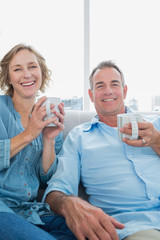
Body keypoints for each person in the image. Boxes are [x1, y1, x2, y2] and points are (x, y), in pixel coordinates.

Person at [44, 60, 160, 240]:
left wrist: (158, 141)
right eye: (100, 86)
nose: (108, 91)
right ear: (91, 95)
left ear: (125, 90)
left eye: (114, 84)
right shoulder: (79, 137)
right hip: (133, 226)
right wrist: (67, 204)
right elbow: (57, 189)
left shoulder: (155, 125)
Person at [0, 43, 73, 240]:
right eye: (17, 69)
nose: (27, 74)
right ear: (8, 77)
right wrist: (29, 133)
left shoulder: (49, 115)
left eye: (32, 66)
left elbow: (46, 180)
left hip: (33, 212)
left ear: (42, 72)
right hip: (2, 209)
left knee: (87, 233)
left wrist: (49, 140)